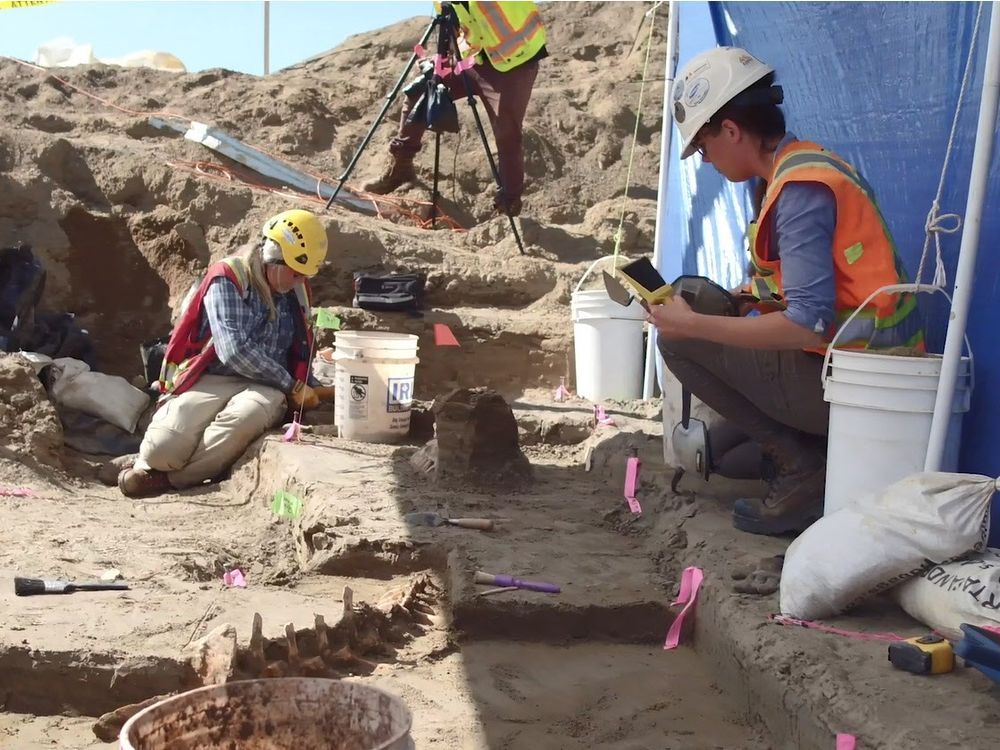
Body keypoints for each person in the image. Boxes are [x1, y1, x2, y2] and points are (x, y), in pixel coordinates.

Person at [650, 47, 923, 536]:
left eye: (705, 148)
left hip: (858, 390)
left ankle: (803, 474)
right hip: (855, 375)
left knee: (677, 342)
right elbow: (805, 285)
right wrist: (742, 300)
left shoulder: (799, 189)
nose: (706, 161)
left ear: (731, 130)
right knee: (727, 456)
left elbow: (806, 320)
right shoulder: (801, 168)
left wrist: (693, 325)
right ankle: (810, 458)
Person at [118, 209, 333, 499]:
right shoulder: (229, 278)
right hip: (216, 376)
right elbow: (234, 350)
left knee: (246, 417)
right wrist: (292, 385)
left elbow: (300, 347)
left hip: (265, 386)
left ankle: (166, 480)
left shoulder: (295, 288)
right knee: (162, 449)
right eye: (295, 273)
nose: (299, 282)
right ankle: (151, 464)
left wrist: (311, 385)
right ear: (272, 256)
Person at [364, 0, 547, 217]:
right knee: (422, 90)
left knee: (507, 131)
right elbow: (454, 25)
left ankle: (509, 203)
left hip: (515, 59)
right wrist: (444, 57)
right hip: (472, 57)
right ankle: (400, 167)